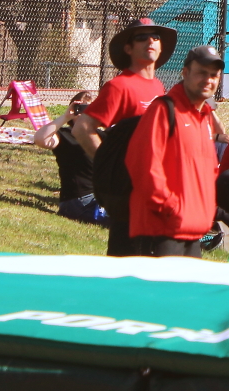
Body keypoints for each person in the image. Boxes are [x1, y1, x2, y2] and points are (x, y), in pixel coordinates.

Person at [70, 17, 179, 256]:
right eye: (141, 37)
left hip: (155, 189)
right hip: (129, 195)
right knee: (125, 263)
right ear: (128, 48)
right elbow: (82, 128)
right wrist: (111, 167)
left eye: (155, 37)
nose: (150, 41)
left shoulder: (158, 86)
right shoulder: (119, 86)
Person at [123, 45, 224, 258]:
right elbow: (143, 166)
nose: (208, 80)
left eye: (214, 75)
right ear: (185, 73)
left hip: (193, 233)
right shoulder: (163, 110)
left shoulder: (204, 116)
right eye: (201, 73)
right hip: (162, 232)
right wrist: (172, 208)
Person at [33, 90, 108, 225]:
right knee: (123, 223)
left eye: (90, 109)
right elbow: (40, 139)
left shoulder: (101, 135)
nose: (85, 114)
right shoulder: (66, 135)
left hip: (102, 199)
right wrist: (65, 116)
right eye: (81, 109)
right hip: (78, 201)